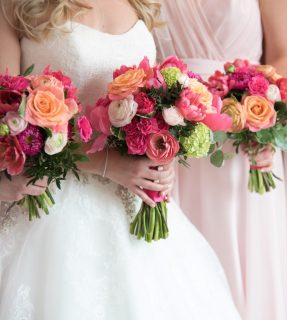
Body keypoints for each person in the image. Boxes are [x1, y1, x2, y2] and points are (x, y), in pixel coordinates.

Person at [0, 1, 240, 319]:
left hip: (136, 202)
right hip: (53, 201)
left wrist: (161, 156)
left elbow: (149, 100)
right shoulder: (15, 7)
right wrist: (107, 164)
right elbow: (9, 120)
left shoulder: (140, 3)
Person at [154, 1, 287, 319]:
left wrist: (257, 106)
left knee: (248, 256)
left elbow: (285, 54)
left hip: (243, 137)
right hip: (175, 133)